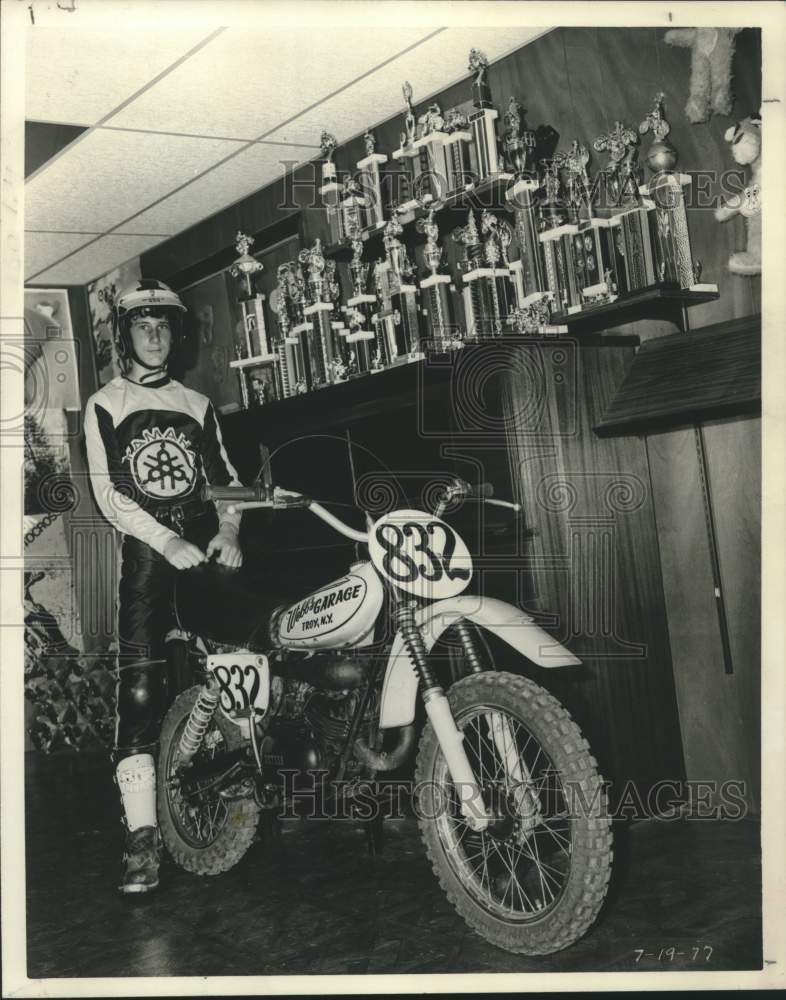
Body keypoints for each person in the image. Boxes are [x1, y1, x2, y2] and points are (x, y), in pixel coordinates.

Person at [84, 279, 244, 894]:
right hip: (150, 559)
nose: (153, 335)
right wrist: (165, 541)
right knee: (143, 684)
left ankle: (242, 783)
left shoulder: (198, 405)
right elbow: (109, 493)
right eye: (141, 326)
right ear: (124, 336)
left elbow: (229, 480)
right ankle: (142, 839)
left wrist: (230, 531)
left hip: (203, 549)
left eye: (163, 326)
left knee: (239, 656)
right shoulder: (105, 403)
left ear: (176, 336)